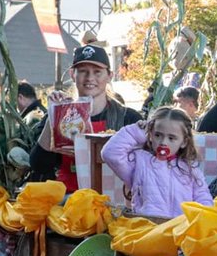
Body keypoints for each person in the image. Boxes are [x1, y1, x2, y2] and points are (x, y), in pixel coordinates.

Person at [31, 41, 141, 193]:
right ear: (72, 75)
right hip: (68, 203)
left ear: (109, 76)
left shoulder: (128, 118)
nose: (90, 78)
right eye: (83, 71)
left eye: (97, 71)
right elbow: (39, 165)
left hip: (113, 202)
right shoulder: (59, 115)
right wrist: (54, 115)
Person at [100, 106, 212, 218]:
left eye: (171, 138)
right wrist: (136, 132)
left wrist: (203, 219)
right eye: (158, 135)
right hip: (147, 226)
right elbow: (110, 153)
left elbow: (203, 198)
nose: (163, 142)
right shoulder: (139, 162)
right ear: (150, 134)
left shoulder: (190, 169)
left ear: (184, 142)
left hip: (180, 229)